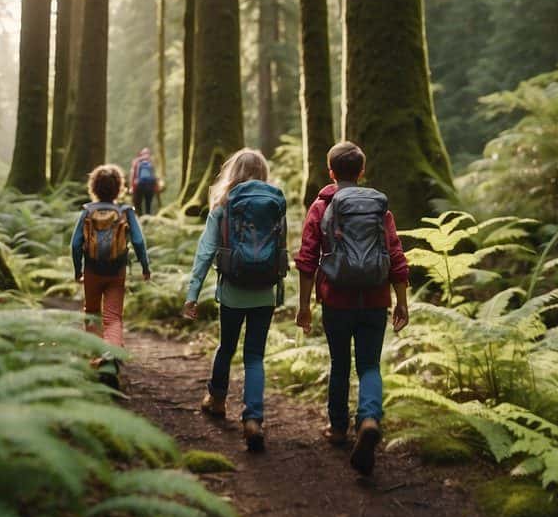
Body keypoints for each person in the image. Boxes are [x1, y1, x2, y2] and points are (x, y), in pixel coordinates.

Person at [294, 141, 409, 475]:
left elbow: (307, 259)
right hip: (375, 300)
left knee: (340, 363)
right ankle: (369, 419)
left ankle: (338, 428)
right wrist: (402, 302)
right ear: (361, 172)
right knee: (370, 365)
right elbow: (396, 256)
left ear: (331, 172)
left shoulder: (321, 207)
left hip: (336, 300)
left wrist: (304, 306)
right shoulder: (378, 208)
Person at [182, 148, 288, 451]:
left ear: (233, 173)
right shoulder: (275, 206)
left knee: (226, 347)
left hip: (231, 291)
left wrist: (192, 294)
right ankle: (253, 418)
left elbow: (205, 253)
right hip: (265, 292)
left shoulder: (223, 207)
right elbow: (281, 250)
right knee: (254, 356)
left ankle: (216, 399)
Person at [71, 164, 151, 381]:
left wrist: (78, 270)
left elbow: (76, 243)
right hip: (116, 272)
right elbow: (138, 241)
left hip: (92, 271)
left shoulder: (87, 211)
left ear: (94, 187)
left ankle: (99, 356)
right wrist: (145, 266)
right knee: (113, 316)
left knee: (92, 312)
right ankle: (112, 354)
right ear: (119, 188)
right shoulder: (125, 212)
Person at [129, 148, 159, 216]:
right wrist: (156, 186)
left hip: (139, 185)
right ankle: (148, 218)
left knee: (138, 203)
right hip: (150, 185)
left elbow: (133, 174)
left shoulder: (137, 161)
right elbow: (155, 175)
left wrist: (131, 187)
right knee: (148, 204)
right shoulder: (151, 161)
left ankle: (139, 218)